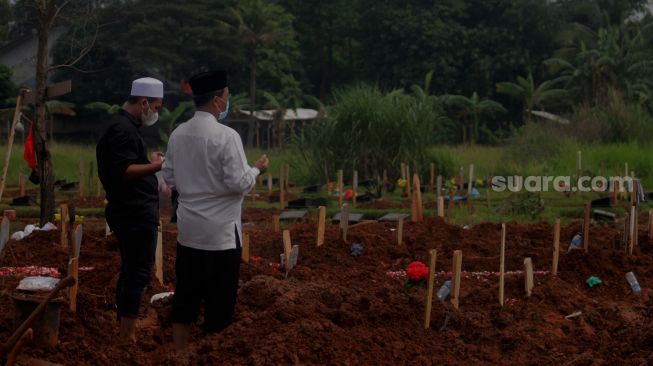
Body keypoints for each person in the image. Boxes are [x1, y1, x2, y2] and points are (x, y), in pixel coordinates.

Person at [161, 70, 269, 351]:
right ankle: (211, 354)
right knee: (220, 301)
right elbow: (238, 183)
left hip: (189, 231)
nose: (227, 101)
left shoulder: (178, 134)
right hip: (221, 234)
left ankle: (179, 353)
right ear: (218, 101)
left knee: (186, 294)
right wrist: (256, 169)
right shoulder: (226, 136)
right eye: (227, 97)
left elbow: (169, 178)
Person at [96, 77, 165, 342]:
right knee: (137, 272)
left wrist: (148, 162)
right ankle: (127, 336)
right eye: (156, 107)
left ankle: (123, 330)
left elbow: (128, 165)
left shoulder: (123, 126)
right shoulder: (122, 129)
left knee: (131, 270)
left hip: (131, 211)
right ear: (144, 102)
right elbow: (123, 172)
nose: (155, 113)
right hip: (134, 213)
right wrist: (157, 166)